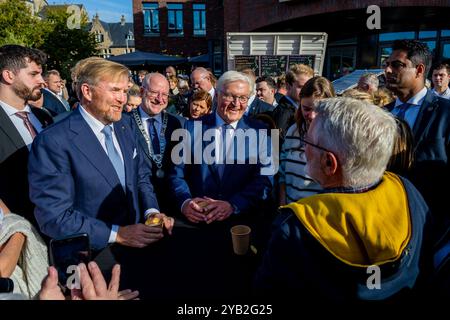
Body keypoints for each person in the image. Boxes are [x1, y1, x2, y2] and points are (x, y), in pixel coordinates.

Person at [255, 97, 432, 301]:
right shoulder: (407, 191)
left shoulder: (295, 230)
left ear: (329, 163)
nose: (303, 148)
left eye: (308, 141)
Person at [28, 58, 174, 250]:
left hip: (138, 247)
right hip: (92, 258)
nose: (123, 99)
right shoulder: (53, 141)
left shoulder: (126, 125)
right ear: (87, 92)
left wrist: (151, 211)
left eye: (124, 91)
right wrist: (117, 234)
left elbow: (141, 177)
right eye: (115, 90)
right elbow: (54, 217)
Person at [384, 39, 450, 244]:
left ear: (419, 70)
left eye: (397, 65)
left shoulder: (445, 113)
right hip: (385, 222)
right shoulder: (381, 115)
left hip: (431, 227)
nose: (387, 70)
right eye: (387, 63)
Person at [0, 45, 53, 227]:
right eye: (33, 74)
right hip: (17, 230)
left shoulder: (44, 117)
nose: (42, 81)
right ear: (8, 76)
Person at [126, 72, 184, 214]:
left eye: (164, 94)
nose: (160, 99)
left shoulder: (175, 123)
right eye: (154, 93)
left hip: (173, 204)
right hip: (137, 206)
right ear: (141, 91)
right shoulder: (125, 123)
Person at [278, 76, 335, 206]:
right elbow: (282, 173)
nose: (312, 115)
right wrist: (282, 206)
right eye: (307, 109)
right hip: (291, 212)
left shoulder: (337, 138)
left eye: (320, 109)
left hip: (317, 216)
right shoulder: (293, 131)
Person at [271, 64, 314, 139]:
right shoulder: (283, 112)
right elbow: (275, 143)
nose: (306, 90)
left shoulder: (299, 108)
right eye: (301, 87)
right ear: (288, 86)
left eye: (309, 87)